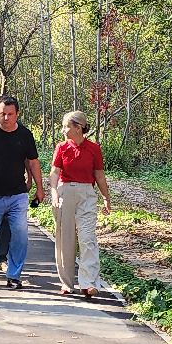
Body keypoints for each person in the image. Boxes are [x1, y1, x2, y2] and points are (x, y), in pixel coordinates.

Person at [0, 95, 46, 289]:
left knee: (20, 234)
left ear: (17, 114)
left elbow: (32, 161)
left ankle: (13, 275)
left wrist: (40, 187)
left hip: (17, 195)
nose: (6, 118)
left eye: (10, 114)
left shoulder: (25, 135)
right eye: (2, 114)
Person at [50, 110, 112, 299]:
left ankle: (88, 283)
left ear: (78, 127)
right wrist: (54, 192)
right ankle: (67, 283)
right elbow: (54, 172)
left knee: (87, 238)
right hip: (65, 192)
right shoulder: (61, 147)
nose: (63, 130)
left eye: (66, 126)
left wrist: (106, 197)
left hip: (87, 194)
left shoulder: (94, 148)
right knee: (65, 240)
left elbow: (99, 176)